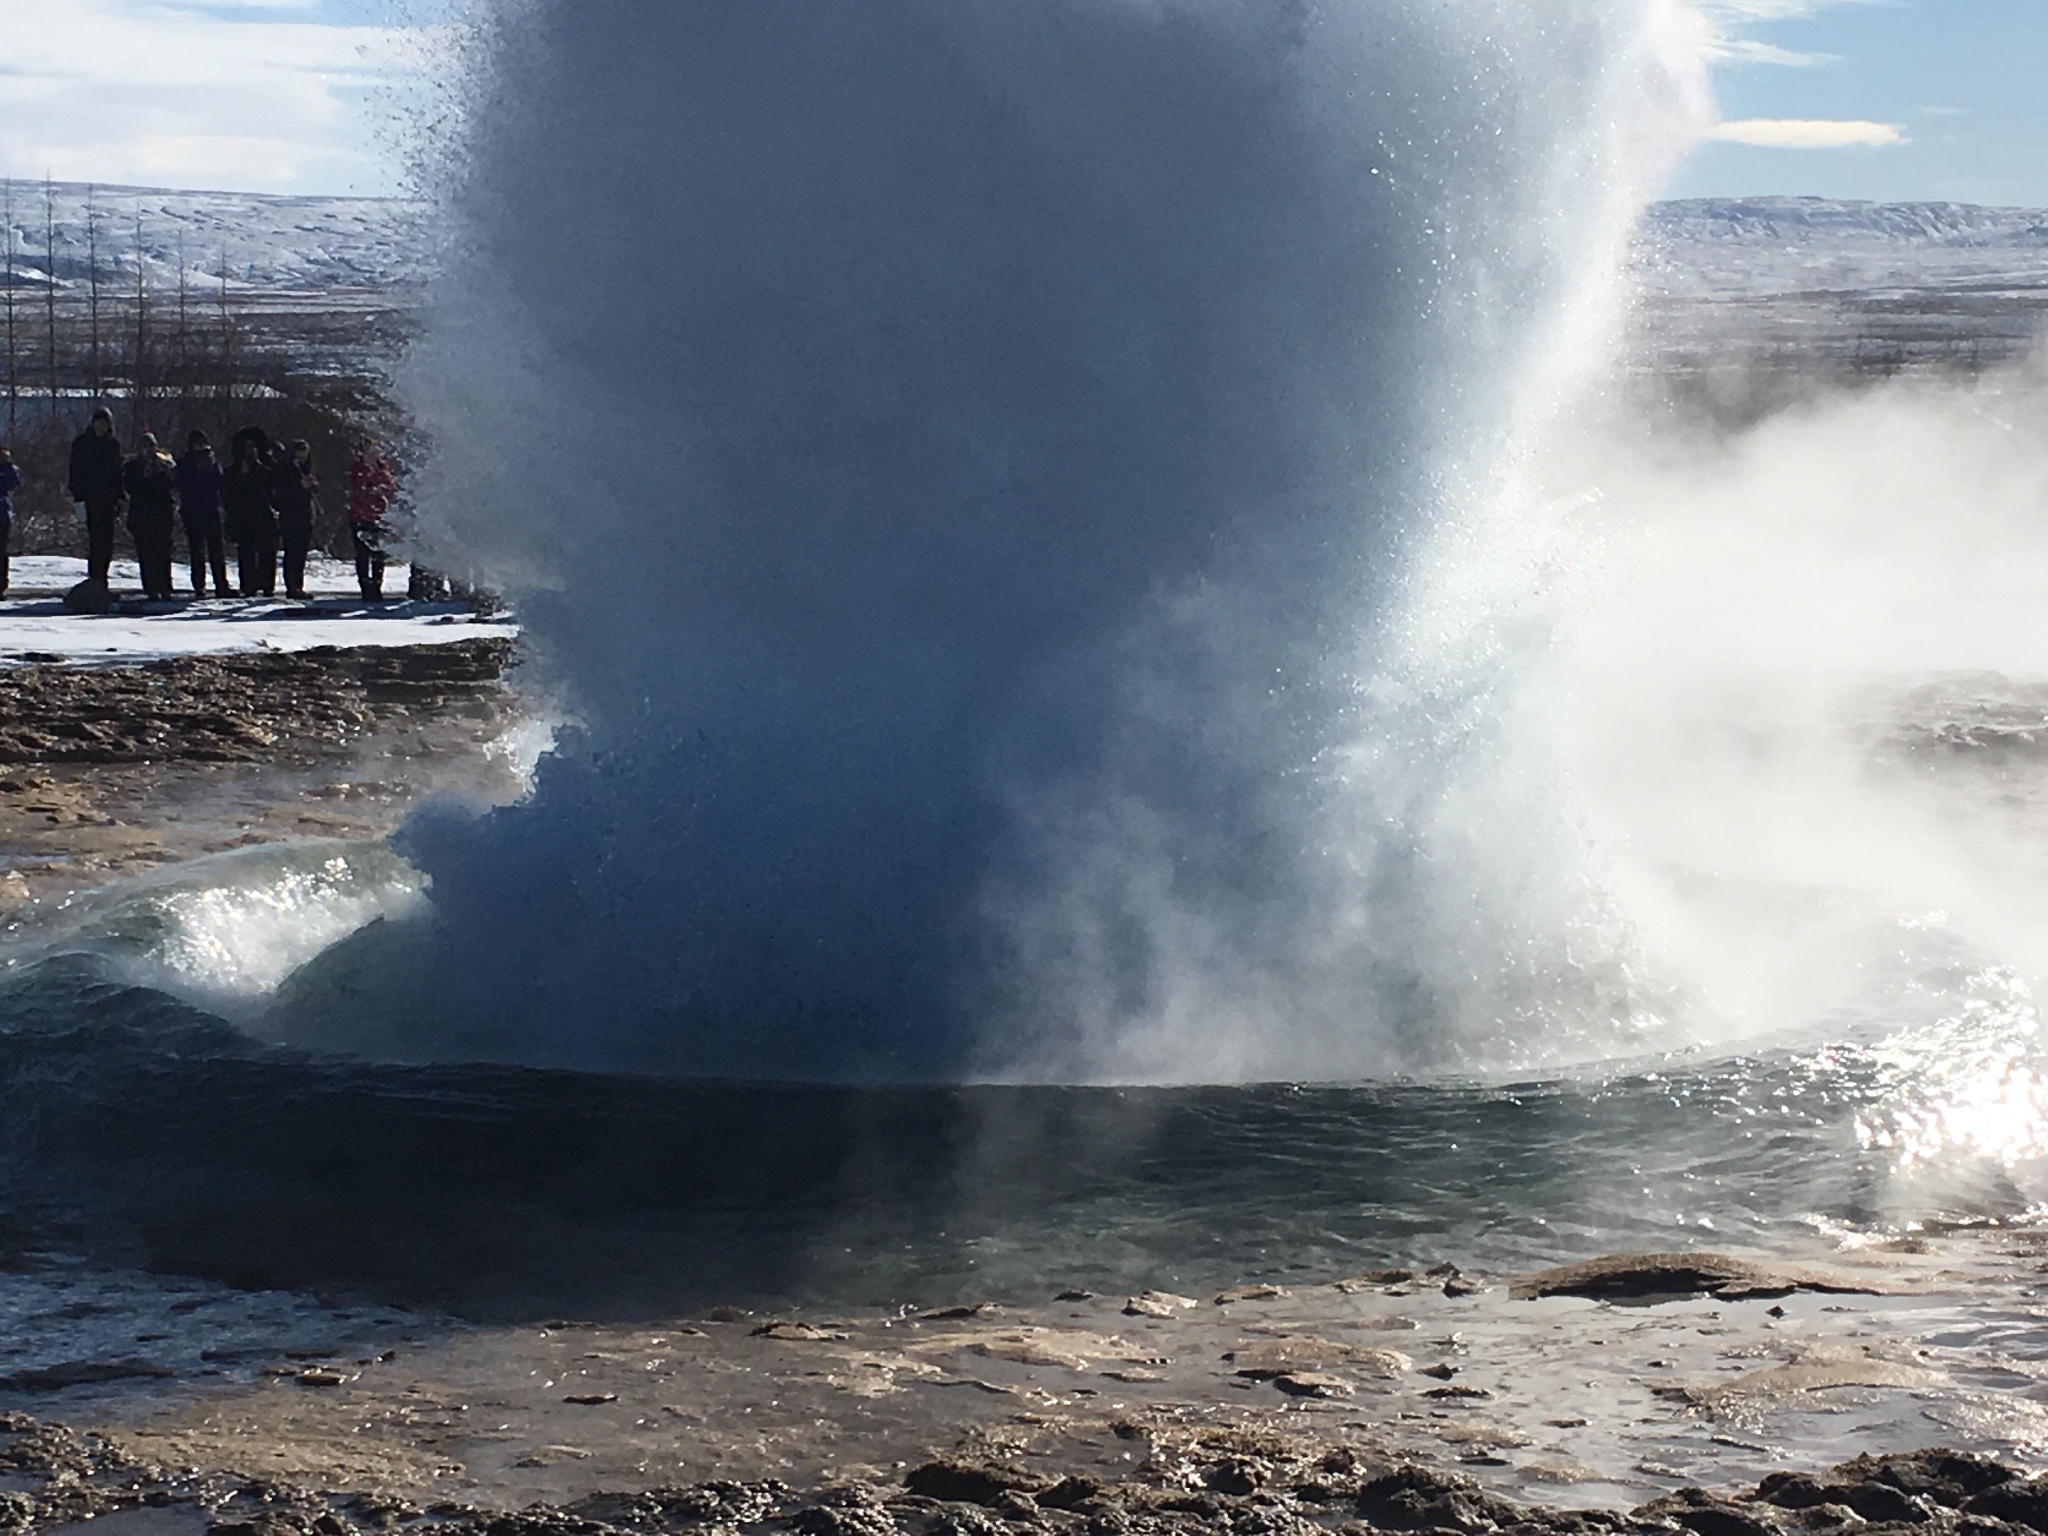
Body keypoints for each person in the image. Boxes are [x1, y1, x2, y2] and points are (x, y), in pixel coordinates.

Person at [67, 406, 125, 587]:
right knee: (95, 542)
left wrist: (119, 496)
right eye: (99, 422)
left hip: (108, 500)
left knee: (107, 543)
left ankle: (103, 577)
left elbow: (117, 472)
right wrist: (78, 495)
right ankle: (95, 579)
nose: (101, 426)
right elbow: (75, 472)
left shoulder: (113, 445)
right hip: (90, 498)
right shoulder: (82, 444)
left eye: (105, 423)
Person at [122, 433, 181, 601]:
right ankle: (151, 588)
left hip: (162, 514)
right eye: (145, 447)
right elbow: (131, 488)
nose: (148, 450)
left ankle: (165, 586)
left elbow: (172, 485)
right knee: (146, 553)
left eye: (151, 446)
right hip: (142, 515)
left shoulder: (163, 464)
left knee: (163, 552)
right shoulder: (132, 467)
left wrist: (167, 472)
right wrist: (146, 476)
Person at [175, 430, 231, 597]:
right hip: (192, 510)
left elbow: (220, 482)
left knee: (217, 550)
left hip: (211, 509)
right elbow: (182, 483)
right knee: (197, 550)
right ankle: (199, 586)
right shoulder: (185, 462)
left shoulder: (212, 461)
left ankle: (221, 584)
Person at [223, 427, 278, 597]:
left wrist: (258, 468)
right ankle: (248, 585)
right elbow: (229, 493)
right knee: (246, 552)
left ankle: (267, 584)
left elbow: (273, 488)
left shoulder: (269, 467)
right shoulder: (234, 470)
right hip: (243, 515)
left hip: (264, 514)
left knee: (267, 552)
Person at [347, 436, 397, 602]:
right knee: (363, 553)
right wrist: (372, 488)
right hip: (361, 515)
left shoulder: (382, 468)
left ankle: (377, 585)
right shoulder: (358, 468)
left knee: (379, 554)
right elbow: (359, 486)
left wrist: (385, 493)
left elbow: (391, 488)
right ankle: (365, 586)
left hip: (379, 516)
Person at [273, 439, 319, 601]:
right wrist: (299, 486)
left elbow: (315, 490)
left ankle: (298, 584)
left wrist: (312, 485)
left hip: (306, 515)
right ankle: (292, 586)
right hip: (291, 515)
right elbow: (281, 492)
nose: (302, 455)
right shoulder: (285, 469)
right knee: (292, 551)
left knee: (301, 552)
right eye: (299, 452)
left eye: (304, 452)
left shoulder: (307, 468)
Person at [0, 446, 21, 598]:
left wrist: (7, 464)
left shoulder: (8, 471)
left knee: (1, 552)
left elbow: (15, 482)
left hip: (2, 516)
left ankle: (1, 586)